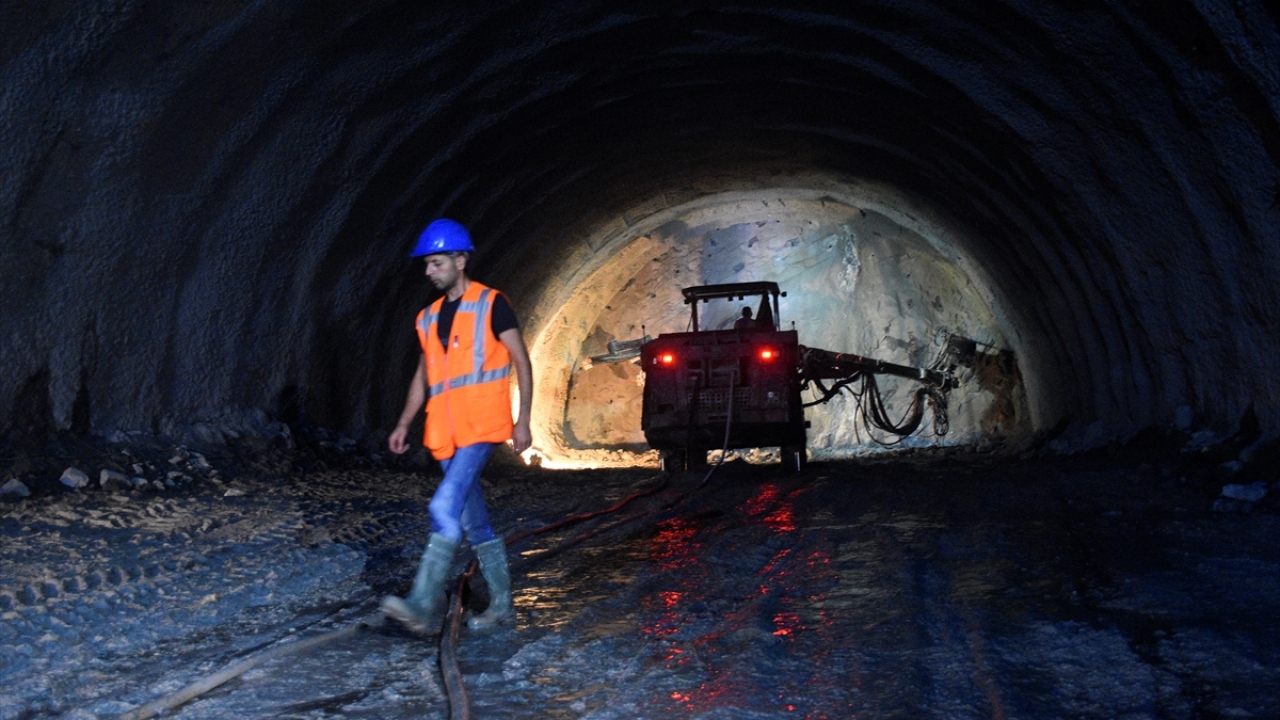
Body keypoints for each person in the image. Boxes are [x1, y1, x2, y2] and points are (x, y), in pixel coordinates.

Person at [382, 218, 533, 635]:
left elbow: (521, 359)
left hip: (481, 426)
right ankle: (502, 605)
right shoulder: (427, 318)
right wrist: (403, 423)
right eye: (427, 264)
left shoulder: (491, 303)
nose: (429, 271)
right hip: (445, 432)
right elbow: (423, 376)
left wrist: (523, 421)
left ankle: (422, 603)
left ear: (460, 260)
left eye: (436, 263)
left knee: (442, 508)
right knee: (473, 522)